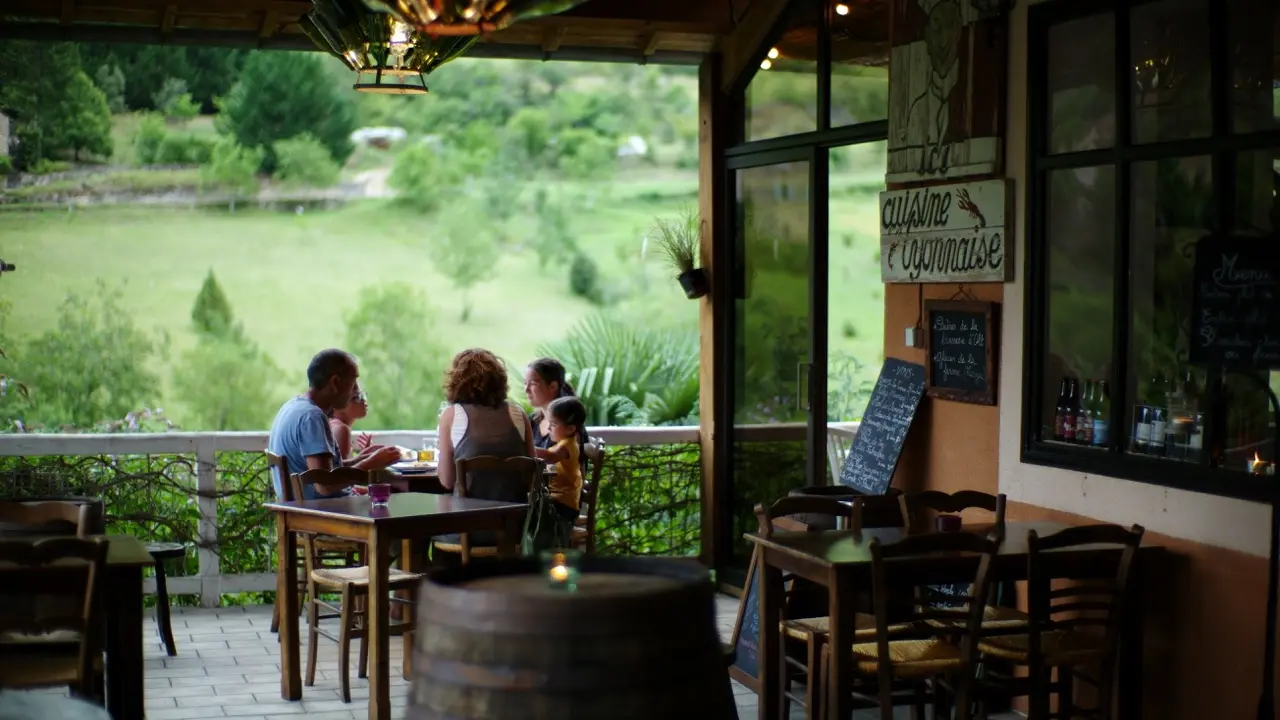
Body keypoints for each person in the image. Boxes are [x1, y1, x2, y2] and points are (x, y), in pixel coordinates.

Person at [267, 349, 399, 500]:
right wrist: (371, 463)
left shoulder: (291, 406)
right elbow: (325, 485)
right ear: (335, 383)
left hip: (304, 509)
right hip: (322, 513)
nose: (355, 390)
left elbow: (323, 472)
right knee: (400, 501)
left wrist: (360, 459)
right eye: (353, 381)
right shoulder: (312, 417)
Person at [534, 396, 587, 528]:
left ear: (570, 429)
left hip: (563, 504)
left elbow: (550, 457)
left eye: (553, 424)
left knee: (529, 509)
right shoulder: (565, 443)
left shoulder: (566, 446)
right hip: (557, 500)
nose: (549, 428)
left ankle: (540, 545)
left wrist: (526, 447)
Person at [524, 357, 588, 449]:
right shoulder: (533, 420)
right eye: (525, 383)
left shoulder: (569, 421)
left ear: (553, 386)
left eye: (533, 384)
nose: (526, 390)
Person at [329, 381, 379, 460]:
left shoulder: (337, 426)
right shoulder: (341, 429)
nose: (363, 400)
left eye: (362, 395)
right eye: (356, 397)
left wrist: (364, 455)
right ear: (338, 405)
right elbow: (343, 472)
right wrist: (371, 459)